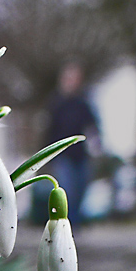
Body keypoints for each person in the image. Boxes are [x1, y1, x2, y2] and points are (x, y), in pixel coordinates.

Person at [43, 62, 101, 226]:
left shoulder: (83, 103)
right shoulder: (56, 104)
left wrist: (96, 144)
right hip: (63, 155)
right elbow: (49, 131)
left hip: (80, 154)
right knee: (67, 190)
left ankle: (76, 221)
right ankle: (67, 224)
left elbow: (93, 126)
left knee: (81, 188)